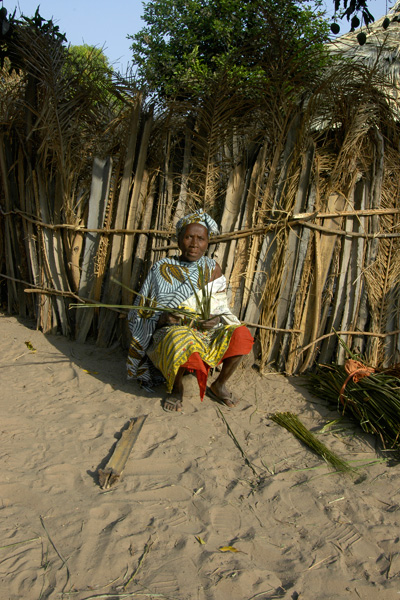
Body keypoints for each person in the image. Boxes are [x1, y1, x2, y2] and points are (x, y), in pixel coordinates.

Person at [127, 209, 254, 412]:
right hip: (170, 333)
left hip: (204, 332)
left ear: (207, 242)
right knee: (181, 337)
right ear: (179, 239)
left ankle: (219, 384)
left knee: (242, 334)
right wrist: (162, 318)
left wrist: (215, 320)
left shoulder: (212, 268)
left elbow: (220, 307)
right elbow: (140, 313)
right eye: (188, 237)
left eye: (200, 239)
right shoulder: (162, 268)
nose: (194, 244)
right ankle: (176, 390)